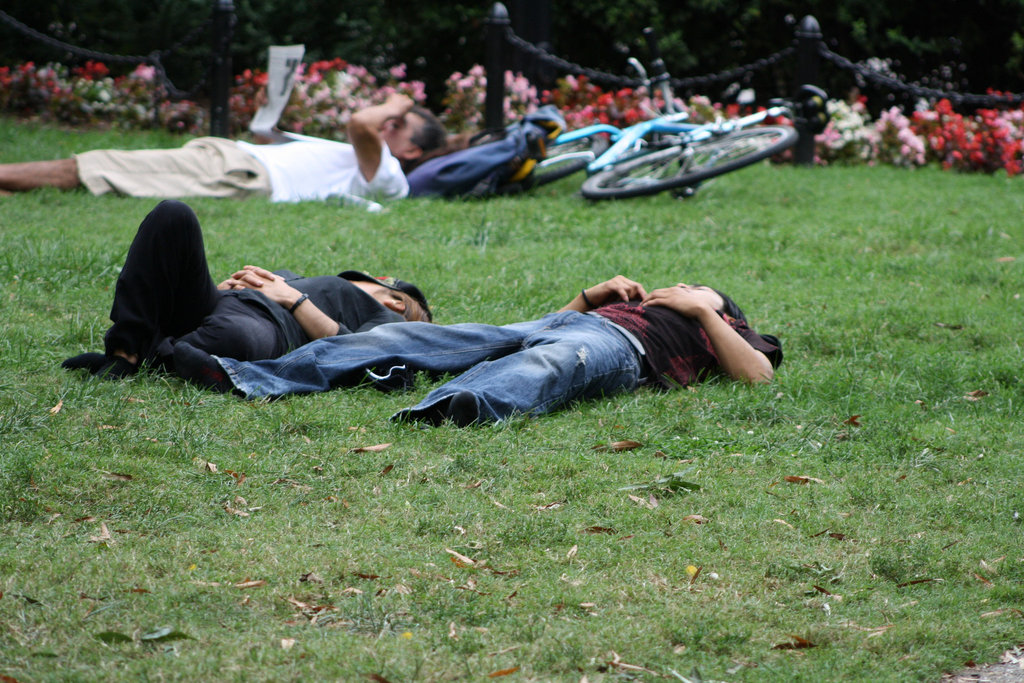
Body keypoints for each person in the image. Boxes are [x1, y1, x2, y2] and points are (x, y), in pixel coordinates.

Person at [172, 275, 782, 426]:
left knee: (548, 368)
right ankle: (246, 376)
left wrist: (704, 308)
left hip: (616, 345)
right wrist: (588, 295)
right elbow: (550, 327)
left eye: (696, 286)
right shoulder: (633, 302)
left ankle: (462, 404)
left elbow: (759, 379)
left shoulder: (723, 328)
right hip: (557, 324)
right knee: (398, 336)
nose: (679, 286)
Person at [61, 199, 432, 379]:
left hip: (268, 329)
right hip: (221, 305)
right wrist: (230, 287)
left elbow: (358, 354)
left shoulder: (387, 316)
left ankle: (168, 353)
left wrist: (294, 298)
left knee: (237, 335)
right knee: (173, 216)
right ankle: (126, 356)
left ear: (398, 301)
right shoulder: (307, 281)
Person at [0, 94, 446, 202]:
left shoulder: (390, 175)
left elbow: (360, 121)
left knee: (95, 166)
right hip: (235, 158)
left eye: (399, 126)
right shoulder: (364, 158)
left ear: (410, 152)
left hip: (240, 174)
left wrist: (399, 100)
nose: (388, 122)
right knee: (104, 167)